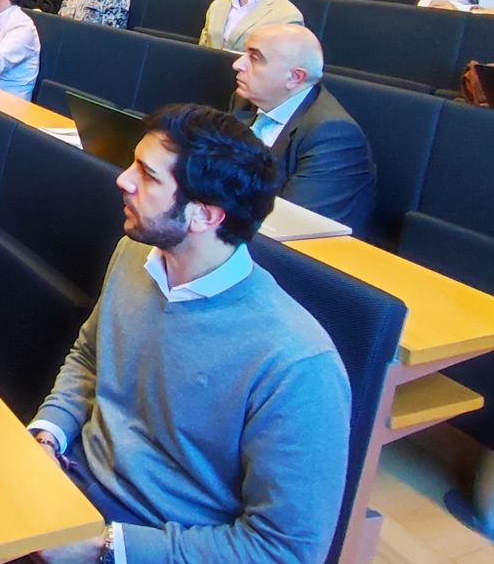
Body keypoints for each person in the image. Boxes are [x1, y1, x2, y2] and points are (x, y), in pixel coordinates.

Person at [27, 104, 351, 564]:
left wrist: (102, 549)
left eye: (148, 176)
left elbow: (286, 552)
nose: (123, 180)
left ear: (204, 217)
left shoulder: (296, 362)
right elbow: (89, 358)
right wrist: (47, 436)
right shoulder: (134, 255)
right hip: (71, 487)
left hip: (156, 544)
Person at [232, 25, 377, 234]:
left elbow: (290, 228)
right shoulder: (245, 100)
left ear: (295, 77)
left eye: (255, 58)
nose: (237, 64)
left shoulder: (332, 135)